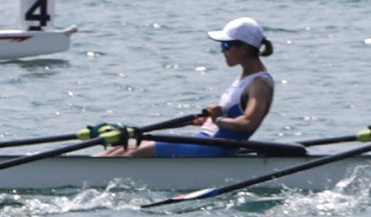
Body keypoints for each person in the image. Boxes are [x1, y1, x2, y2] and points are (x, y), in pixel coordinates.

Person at [107, 20, 275, 153]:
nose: (222, 51)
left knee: (133, 150)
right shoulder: (245, 77)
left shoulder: (259, 84)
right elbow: (232, 115)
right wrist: (210, 120)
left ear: (244, 48)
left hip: (213, 149)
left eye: (225, 45)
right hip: (206, 141)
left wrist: (218, 119)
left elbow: (248, 123)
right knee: (126, 146)